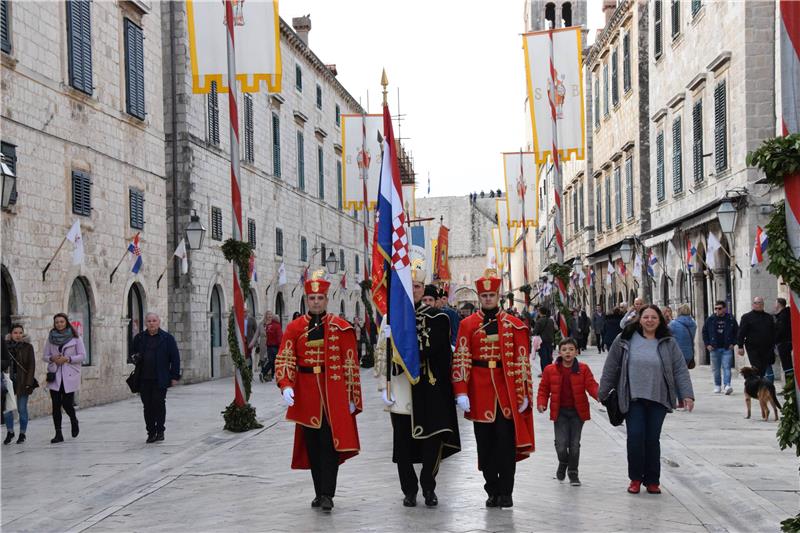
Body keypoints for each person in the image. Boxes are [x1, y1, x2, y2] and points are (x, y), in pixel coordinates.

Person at [275, 271, 362, 512]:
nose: (315, 302)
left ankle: (327, 494)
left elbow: (350, 363)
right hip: (306, 394)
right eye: (311, 298)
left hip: (332, 393)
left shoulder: (341, 328)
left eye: (319, 298)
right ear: (306, 299)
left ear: (326, 300)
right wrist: (286, 385)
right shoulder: (294, 328)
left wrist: (352, 396)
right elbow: (285, 358)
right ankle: (318, 491)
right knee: (312, 447)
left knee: (329, 446)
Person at [452, 269, 534, 509]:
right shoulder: (467, 324)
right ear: (480, 297)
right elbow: (461, 357)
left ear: (498, 296)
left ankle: (506, 492)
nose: (488, 299)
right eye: (484, 295)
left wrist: (524, 394)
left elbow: (521, 360)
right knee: (485, 446)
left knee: (506, 444)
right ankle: (491, 488)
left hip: (506, 391)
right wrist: (461, 391)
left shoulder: (514, 324)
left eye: (491, 295)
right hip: (480, 391)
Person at [599, 305, 695, 495]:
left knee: (652, 439)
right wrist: (603, 392)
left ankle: (652, 481)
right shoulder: (625, 339)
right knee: (635, 437)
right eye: (646, 317)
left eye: (653, 317)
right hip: (632, 396)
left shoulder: (668, 342)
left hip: (659, 398)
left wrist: (687, 394)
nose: (649, 320)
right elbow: (611, 366)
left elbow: (680, 369)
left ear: (660, 320)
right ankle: (635, 478)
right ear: (639, 319)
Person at [383, 276, 460, 508]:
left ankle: (428, 485)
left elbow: (439, 352)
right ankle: (409, 489)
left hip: (430, 388)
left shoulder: (438, 318)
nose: (413, 290)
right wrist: (382, 386)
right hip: (401, 389)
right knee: (403, 444)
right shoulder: (391, 318)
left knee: (432, 441)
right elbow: (381, 353)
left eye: (416, 286)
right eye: (409, 285)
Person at [537, 337, 599, 486]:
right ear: (559, 352)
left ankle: (573, 473)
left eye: (571, 349)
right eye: (564, 350)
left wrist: (600, 396)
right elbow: (544, 389)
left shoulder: (583, 369)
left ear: (576, 352)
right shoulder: (550, 370)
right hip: (560, 412)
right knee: (560, 444)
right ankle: (563, 462)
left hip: (578, 412)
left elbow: (591, 385)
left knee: (574, 444)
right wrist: (541, 403)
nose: (568, 353)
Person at [130, 312, 181, 443]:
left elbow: (175, 358)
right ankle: (151, 432)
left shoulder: (167, 338)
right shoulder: (139, 338)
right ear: (145, 323)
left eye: (154, 321)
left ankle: (160, 430)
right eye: (149, 321)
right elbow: (132, 354)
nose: (151, 323)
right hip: (143, 378)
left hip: (160, 378)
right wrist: (135, 357)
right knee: (147, 406)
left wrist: (174, 376)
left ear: (159, 322)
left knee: (159, 403)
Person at [43, 313, 86, 444]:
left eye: (62, 321)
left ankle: (74, 420)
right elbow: (45, 355)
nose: (59, 324)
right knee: (55, 405)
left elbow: (82, 355)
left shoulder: (75, 338)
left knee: (67, 404)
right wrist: (52, 358)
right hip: (55, 375)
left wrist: (68, 358)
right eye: (57, 322)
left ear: (66, 322)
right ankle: (58, 433)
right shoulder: (51, 338)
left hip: (69, 374)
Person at [4, 324, 36, 444]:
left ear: (23, 334)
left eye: (20, 333)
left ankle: (22, 433)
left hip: (22, 381)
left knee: (22, 409)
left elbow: (31, 366)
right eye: (15, 333)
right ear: (11, 334)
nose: (18, 335)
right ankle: (10, 432)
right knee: (7, 410)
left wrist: (29, 382)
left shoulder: (28, 347)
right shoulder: (4, 346)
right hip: (7, 381)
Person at [702, 300, 738, 395]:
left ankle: (727, 385)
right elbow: (704, 332)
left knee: (727, 367)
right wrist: (707, 344)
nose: (717, 310)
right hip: (714, 348)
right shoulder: (710, 319)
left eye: (720, 308)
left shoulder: (730, 319)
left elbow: (737, 332)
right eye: (716, 308)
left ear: (725, 309)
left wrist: (733, 343)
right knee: (716, 368)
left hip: (727, 347)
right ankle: (717, 385)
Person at [737, 296, 776, 380]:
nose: (758, 305)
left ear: (763, 304)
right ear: (753, 304)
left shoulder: (769, 317)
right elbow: (741, 333)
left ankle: (764, 388)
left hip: (767, 348)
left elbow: (773, 332)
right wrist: (740, 346)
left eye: (760, 303)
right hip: (752, 348)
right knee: (756, 367)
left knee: (764, 368)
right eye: (756, 303)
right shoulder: (746, 317)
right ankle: (756, 387)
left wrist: (774, 345)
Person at [251, 311, 282, 382]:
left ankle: (269, 375)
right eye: (268, 314)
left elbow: (278, 336)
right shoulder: (262, 324)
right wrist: (253, 343)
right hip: (264, 344)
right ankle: (265, 374)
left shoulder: (274, 325)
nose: (269, 316)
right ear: (265, 315)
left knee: (271, 360)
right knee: (265, 359)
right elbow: (256, 334)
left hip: (271, 344)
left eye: (271, 314)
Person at [532, 307, 556, 373]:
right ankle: (550, 371)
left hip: (542, 341)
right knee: (549, 357)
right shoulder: (551, 320)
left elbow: (535, 332)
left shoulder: (539, 321)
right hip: (550, 341)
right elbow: (554, 330)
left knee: (543, 358)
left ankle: (545, 372)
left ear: (540, 312)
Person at [775, 297, 793, 377]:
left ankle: (790, 385)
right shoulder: (786, 314)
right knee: (787, 365)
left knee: (787, 366)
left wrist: (774, 339)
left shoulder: (783, 315)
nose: (774, 305)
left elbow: (781, 330)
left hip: (784, 343)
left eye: (775, 303)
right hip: (786, 342)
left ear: (779, 304)